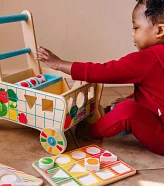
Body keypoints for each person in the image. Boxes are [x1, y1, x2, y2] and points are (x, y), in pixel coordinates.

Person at [35, 0, 164, 155]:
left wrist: (59, 64)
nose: (132, 33)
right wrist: (133, 97)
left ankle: (91, 132)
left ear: (159, 31)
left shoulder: (148, 58)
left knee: (127, 110)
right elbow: (156, 91)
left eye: (136, 27)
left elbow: (105, 71)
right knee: (127, 103)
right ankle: (108, 114)